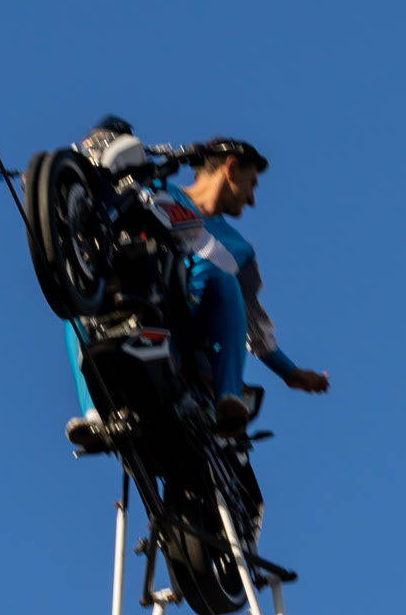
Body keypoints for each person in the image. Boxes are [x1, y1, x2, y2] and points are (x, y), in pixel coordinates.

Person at [67, 126, 330, 451]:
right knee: (76, 302)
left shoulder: (240, 249)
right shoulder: (154, 192)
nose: (251, 199)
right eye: (252, 184)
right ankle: (94, 416)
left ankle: (227, 398)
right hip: (143, 304)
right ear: (231, 168)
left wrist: (290, 373)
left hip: (193, 334)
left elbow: (252, 323)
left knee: (224, 279)